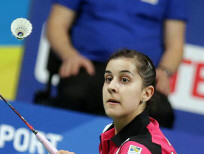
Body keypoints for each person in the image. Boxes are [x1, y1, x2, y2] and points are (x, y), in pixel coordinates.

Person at [54, 49, 190, 154]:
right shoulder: (109, 133)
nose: (111, 87)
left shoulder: (149, 146)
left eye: (124, 80)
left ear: (146, 93)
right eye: (108, 79)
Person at [46, 0, 187, 128]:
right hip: (89, 66)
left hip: (139, 74)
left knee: (161, 111)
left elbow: (175, 44)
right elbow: (56, 24)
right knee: (74, 95)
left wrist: (165, 71)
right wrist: (70, 56)